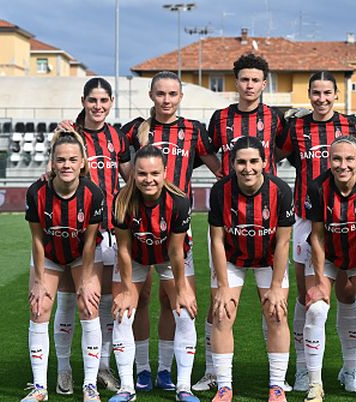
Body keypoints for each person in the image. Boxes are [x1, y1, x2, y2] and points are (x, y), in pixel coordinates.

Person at [277, 71, 356, 393]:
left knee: (347, 293)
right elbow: (271, 158)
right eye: (315, 93)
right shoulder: (297, 126)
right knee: (308, 296)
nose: (321, 99)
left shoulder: (352, 127)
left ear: (337, 95)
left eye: (327, 93)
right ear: (309, 95)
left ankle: (350, 370)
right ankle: (306, 371)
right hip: (309, 219)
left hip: (350, 217)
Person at [121, 71, 221, 392]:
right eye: (160, 94)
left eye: (172, 94)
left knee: (173, 301)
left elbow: (219, 168)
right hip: (137, 224)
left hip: (176, 225)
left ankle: (165, 370)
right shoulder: (135, 130)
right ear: (151, 95)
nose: (166, 100)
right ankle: (140, 369)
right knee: (141, 298)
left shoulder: (193, 131)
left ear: (180, 97)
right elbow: (107, 150)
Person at [195, 53, 288, 392]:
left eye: (256, 80)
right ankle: (215, 376)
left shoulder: (276, 119)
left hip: (268, 215)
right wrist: (222, 175)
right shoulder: (221, 118)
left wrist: (260, 173)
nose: (249, 85)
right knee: (219, 304)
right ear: (237, 82)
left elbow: (284, 151)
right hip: (230, 216)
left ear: (265, 84)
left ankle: (278, 381)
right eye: (244, 79)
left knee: (274, 305)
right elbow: (204, 150)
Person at [53, 77, 132, 395]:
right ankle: (63, 369)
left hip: (110, 231)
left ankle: (101, 367)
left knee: (105, 304)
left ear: (111, 102)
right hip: (74, 231)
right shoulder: (69, 134)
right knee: (70, 300)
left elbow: (130, 178)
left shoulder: (118, 137)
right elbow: (52, 173)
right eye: (92, 101)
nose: (98, 107)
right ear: (83, 101)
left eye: (104, 101)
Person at [207, 136, 294, 402]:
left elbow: (283, 241)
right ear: (232, 164)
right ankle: (224, 387)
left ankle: (277, 386)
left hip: (268, 259)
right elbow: (217, 240)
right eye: (241, 162)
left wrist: (277, 286)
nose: (248, 168)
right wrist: (222, 286)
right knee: (221, 314)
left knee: (277, 314)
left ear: (265, 162)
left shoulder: (280, 191)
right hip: (233, 257)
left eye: (254, 161)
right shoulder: (220, 190)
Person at [108, 145, 197, 402]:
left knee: (183, 311)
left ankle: (182, 386)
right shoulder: (122, 201)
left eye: (155, 173)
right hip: (135, 255)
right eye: (142, 174)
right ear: (134, 174)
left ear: (165, 172)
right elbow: (123, 249)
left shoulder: (179, 201)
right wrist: (126, 290)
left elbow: (176, 250)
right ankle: (130, 384)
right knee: (123, 313)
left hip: (171, 255)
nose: (149, 179)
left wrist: (181, 289)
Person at [22, 128, 105, 402]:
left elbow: (91, 241)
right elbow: (36, 239)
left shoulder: (93, 193)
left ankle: (90, 386)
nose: (66, 165)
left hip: (82, 254)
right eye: (60, 160)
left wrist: (87, 279)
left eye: (72, 159)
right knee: (39, 306)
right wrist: (37, 279)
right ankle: (39, 388)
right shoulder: (36, 192)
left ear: (82, 162)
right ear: (52, 162)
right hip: (49, 254)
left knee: (88, 303)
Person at [302, 136, 356, 402]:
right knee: (316, 309)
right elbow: (316, 237)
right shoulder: (317, 187)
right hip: (327, 255)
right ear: (329, 161)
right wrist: (317, 281)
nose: (343, 165)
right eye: (337, 159)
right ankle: (315, 384)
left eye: (349, 159)